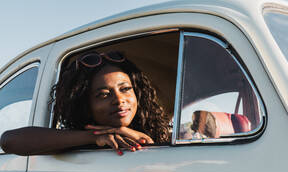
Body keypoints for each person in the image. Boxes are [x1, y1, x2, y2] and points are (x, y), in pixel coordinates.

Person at [0, 51, 170, 156]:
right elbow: (9, 141)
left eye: (125, 89)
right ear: (84, 103)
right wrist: (96, 136)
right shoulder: (75, 142)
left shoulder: (159, 133)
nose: (119, 100)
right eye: (103, 94)